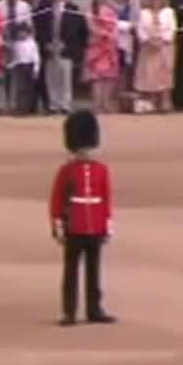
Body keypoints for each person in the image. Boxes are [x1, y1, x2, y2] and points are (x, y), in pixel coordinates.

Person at [48, 111, 116, 326]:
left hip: (94, 225)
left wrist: (108, 225)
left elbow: (106, 198)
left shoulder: (101, 170)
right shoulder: (66, 171)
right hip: (75, 226)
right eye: (82, 149)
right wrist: (57, 225)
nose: (85, 152)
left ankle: (94, 309)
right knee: (71, 271)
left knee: (93, 271)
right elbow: (57, 199)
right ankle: (69, 311)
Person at [134, 0, 177, 112]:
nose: (156, 1)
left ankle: (165, 103)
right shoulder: (144, 13)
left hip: (164, 47)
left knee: (164, 75)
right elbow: (140, 29)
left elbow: (172, 28)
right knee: (149, 76)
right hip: (148, 48)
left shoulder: (169, 12)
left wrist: (162, 40)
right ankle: (150, 104)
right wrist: (149, 41)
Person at [84, 0, 121, 113]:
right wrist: (104, 34)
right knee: (97, 78)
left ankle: (106, 103)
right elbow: (91, 27)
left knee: (109, 77)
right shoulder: (90, 11)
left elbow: (116, 26)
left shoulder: (112, 11)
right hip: (97, 47)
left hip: (110, 47)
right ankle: (97, 104)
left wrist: (112, 36)